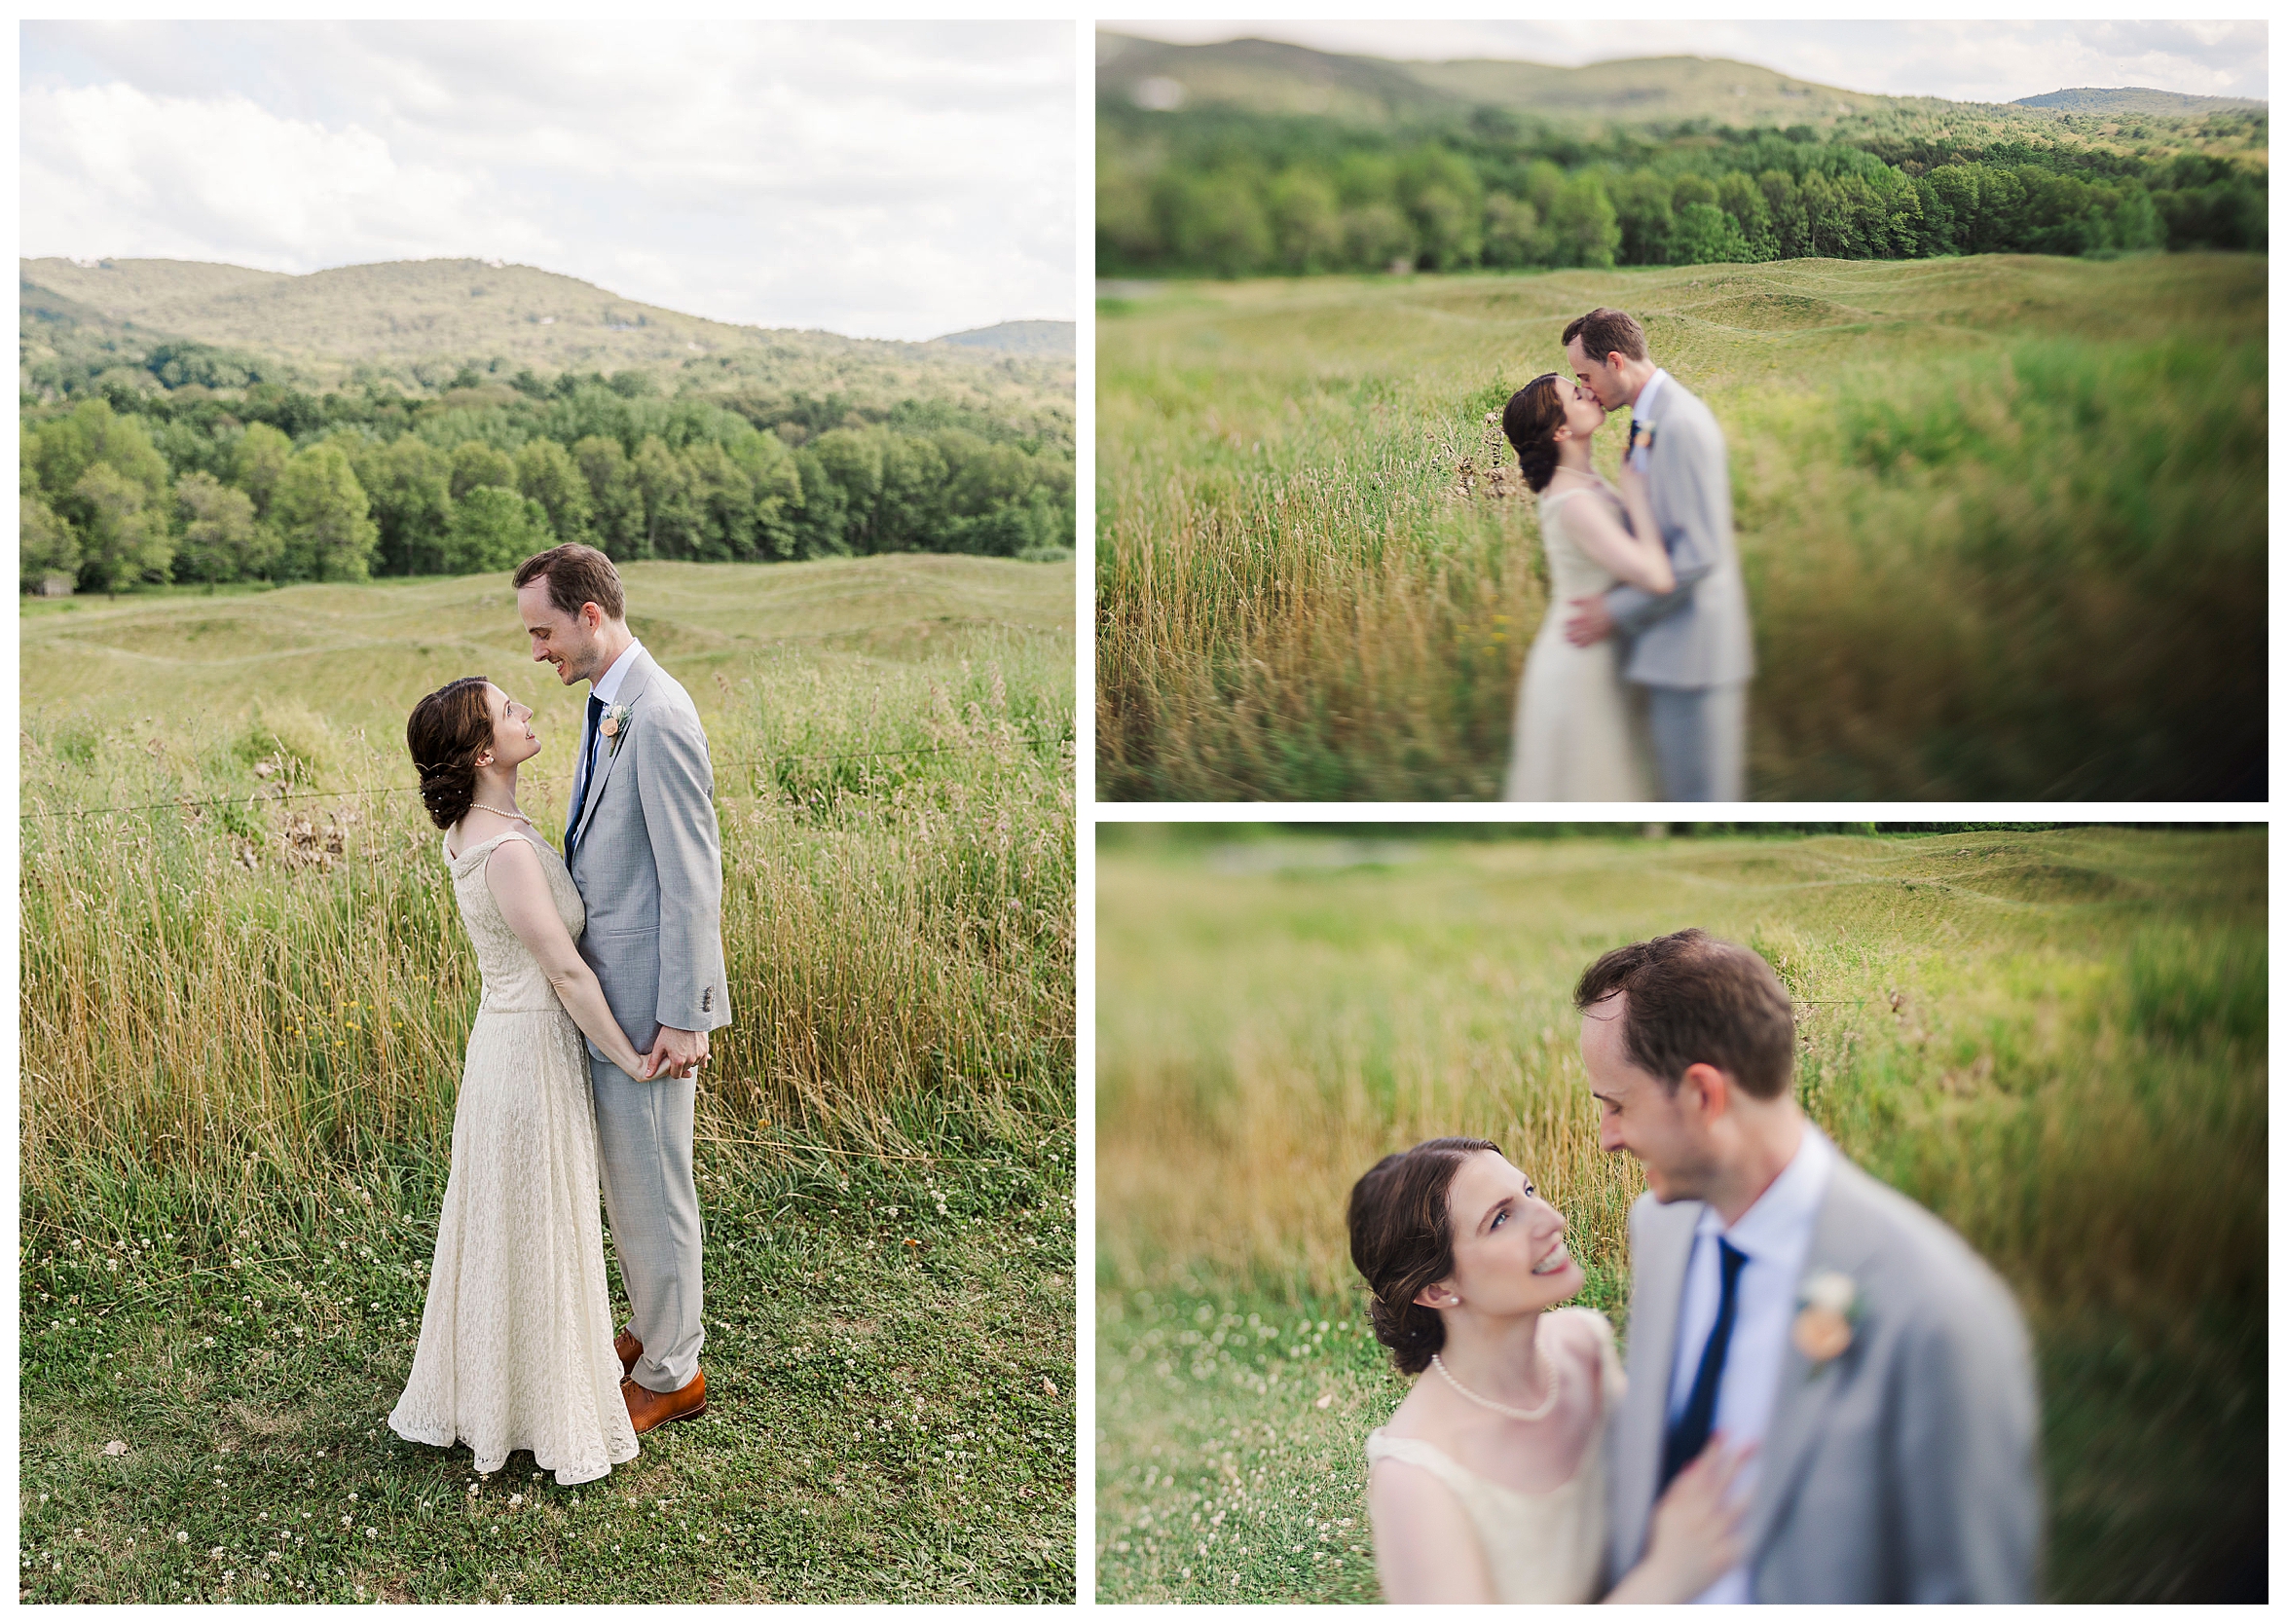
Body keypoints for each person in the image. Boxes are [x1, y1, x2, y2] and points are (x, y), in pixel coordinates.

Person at [1577, 929, 2040, 1602]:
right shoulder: (1661, 1229)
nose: (1607, 1137)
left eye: (1617, 1105)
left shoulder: (1938, 1312)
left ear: (1704, 1096)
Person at [388, 677, 649, 1484]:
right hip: (528, 1052)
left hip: (508, 1043)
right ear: (483, 751)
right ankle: (531, 1408)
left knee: (523, 1225)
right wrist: (631, 1058)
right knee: (533, 1225)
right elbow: (565, 973)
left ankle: (516, 1392)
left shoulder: (489, 827)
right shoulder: (500, 850)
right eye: (510, 711)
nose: (527, 711)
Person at [513, 543, 730, 1435]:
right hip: (617, 988)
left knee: (654, 1181)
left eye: (544, 631)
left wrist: (685, 1014)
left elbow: (693, 877)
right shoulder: (610, 702)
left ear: (590, 616)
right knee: (630, 1179)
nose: (537, 652)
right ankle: (650, 1328)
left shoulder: (663, 715)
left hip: (650, 1003)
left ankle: (676, 1372)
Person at [1348, 1137, 1751, 1603]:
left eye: (1530, 1192)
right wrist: (1668, 1576)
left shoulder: (1584, 1347)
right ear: (1436, 1290)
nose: (1553, 1220)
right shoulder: (1416, 1477)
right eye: (1501, 1219)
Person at [1559, 309, 1754, 801]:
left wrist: (1613, 611)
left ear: (1616, 361)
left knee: (1702, 808)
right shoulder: (1649, 417)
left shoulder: (1680, 423)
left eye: (1586, 376)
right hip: (1669, 650)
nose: (1585, 388)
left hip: (1695, 656)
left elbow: (1699, 552)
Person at [1498, 372, 1674, 800]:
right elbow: (1656, 576)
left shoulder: (1583, 480)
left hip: (1602, 646)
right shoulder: (1574, 504)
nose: (1590, 392)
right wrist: (1635, 496)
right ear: (1561, 429)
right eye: (1578, 395)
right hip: (1582, 663)